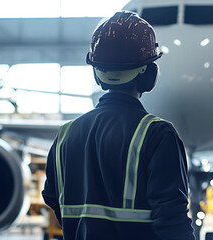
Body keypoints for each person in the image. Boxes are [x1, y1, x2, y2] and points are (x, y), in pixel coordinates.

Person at [42, 11, 195, 240]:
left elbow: (53, 197)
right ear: (149, 75)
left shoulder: (66, 135)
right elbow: (172, 220)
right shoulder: (157, 135)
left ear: (97, 74)